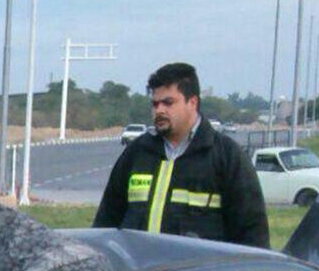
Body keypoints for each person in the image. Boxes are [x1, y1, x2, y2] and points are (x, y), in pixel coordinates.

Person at [94, 62, 268, 247]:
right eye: (155, 104)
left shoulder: (227, 157)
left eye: (168, 103)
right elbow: (106, 223)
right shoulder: (137, 153)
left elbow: (253, 237)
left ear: (192, 102)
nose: (159, 110)